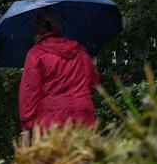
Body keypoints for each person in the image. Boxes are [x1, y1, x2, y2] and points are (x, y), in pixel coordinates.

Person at [18, 11, 101, 146]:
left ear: (39, 31)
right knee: (85, 161)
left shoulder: (36, 54)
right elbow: (94, 82)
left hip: (52, 120)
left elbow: (29, 92)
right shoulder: (80, 51)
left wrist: (27, 125)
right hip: (83, 115)